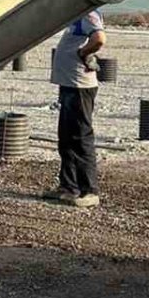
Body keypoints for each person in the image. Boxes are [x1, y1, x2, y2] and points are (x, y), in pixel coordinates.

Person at [45, 11, 106, 208]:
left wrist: (83, 53)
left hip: (80, 87)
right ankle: (68, 187)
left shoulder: (88, 15)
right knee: (67, 138)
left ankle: (89, 191)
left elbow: (99, 39)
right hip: (70, 85)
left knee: (81, 137)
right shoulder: (76, 15)